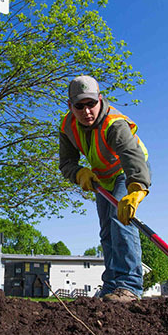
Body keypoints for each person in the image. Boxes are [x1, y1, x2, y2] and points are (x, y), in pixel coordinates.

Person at [59, 75, 150, 302]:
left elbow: (132, 156)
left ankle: (129, 286)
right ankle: (111, 286)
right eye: (79, 106)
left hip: (126, 173)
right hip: (102, 177)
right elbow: (66, 163)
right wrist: (79, 173)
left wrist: (136, 189)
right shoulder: (67, 127)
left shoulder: (114, 124)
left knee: (121, 222)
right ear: (71, 106)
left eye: (91, 103)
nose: (87, 111)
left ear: (100, 99)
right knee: (107, 231)